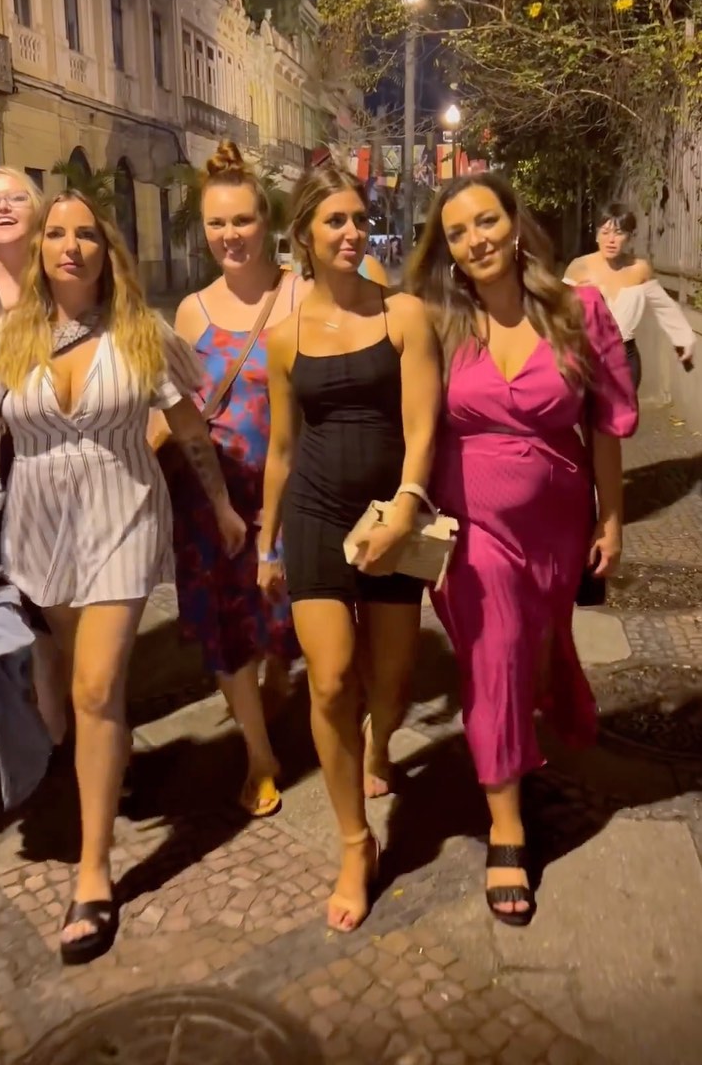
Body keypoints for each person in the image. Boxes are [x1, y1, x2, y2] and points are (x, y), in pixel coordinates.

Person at [0, 189, 245, 965]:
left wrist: (221, 505)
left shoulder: (141, 332)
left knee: (97, 687)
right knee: (78, 687)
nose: (70, 246)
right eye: (56, 233)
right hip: (38, 525)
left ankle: (94, 874)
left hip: (122, 511)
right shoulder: (6, 337)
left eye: (87, 234)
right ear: (40, 249)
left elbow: (190, 426)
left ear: (108, 250)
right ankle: (106, 758)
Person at [408, 173, 638, 926]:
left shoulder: (579, 310)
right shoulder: (438, 322)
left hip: (556, 522)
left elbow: (605, 422)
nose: (474, 240)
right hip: (469, 523)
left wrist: (612, 519)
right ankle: (506, 825)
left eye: (485, 221)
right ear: (446, 249)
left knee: (531, 646)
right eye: (457, 232)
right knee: (494, 653)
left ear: (513, 223)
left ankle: (520, 733)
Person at [259, 165, 440, 933]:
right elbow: (280, 449)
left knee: (389, 682)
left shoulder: (404, 315)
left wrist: (405, 509)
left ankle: (380, 745)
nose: (351, 232)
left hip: (392, 516)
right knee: (331, 681)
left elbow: (424, 426)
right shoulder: (286, 337)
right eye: (334, 220)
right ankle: (354, 844)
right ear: (304, 234)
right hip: (315, 514)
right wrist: (265, 545)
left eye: (358, 219)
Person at [164, 141, 306, 817]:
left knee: (288, 616)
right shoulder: (191, 310)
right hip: (213, 497)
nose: (230, 235)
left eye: (242, 220)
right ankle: (258, 753)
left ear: (266, 220)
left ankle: (282, 671)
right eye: (216, 223)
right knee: (223, 626)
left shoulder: (302, 295)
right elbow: (179, 409)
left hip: (292, 492)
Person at [0, 166, 62, 741]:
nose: (3, 206)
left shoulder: (62, 285)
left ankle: (69, 732)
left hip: (53, 467)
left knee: (57, 615)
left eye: (16, 196)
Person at [564, 204, 695, 388]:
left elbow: (664, 306)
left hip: (626, 357)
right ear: (596, 235)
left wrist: (683, 338)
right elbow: (556, 310)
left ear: (629, 237)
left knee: (626, 407)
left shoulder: (640, 269)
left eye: (618, 233)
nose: (611, 240)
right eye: (605, 232)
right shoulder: (579, 267)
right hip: (587, 357)